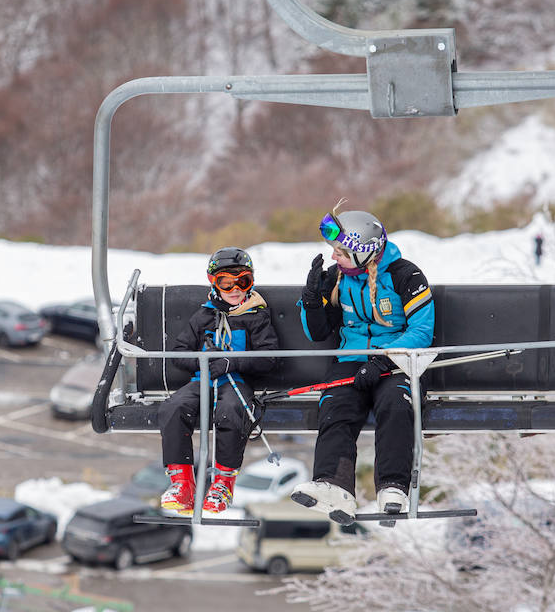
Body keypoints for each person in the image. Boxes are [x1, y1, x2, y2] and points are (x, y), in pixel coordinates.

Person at [290, 206, 434, 519]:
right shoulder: (337, 278)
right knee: (335, 405)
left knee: (395, 403)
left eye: (340, 252)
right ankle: (334, 483)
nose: (333, 259)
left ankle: (393, 486)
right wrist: (313, 299)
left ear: (361, 253)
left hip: (396, 361)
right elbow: (317, 332)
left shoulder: (404, 275)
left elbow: (422, 330)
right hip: (351, 359)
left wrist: (383, 361)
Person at [158, 247, 279, 516]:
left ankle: (223, 483)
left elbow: (268, 358)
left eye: (243, 281)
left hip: (235, 382)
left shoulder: (256, 316)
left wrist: (232, 362)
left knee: (230, 412)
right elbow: (179, 353)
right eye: (226, 282)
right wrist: (202, 359)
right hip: (202, 379)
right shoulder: (203, 316)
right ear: (214, 283)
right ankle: (182, 484)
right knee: (173, 408)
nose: (235, 289)